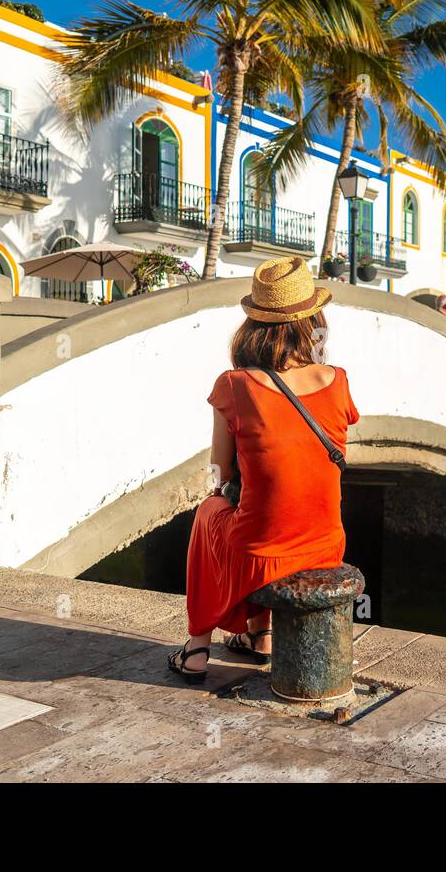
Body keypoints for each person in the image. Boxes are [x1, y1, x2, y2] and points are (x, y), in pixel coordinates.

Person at [169, 257, 360, 682]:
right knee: (260, 512)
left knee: (211, 512)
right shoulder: (338, 379)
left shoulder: (235, 385)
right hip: (326, 544)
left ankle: (198, 647)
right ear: (313, 321)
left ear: (253, 324)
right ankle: (260, 636)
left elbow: (219, 473)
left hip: (263, 553)